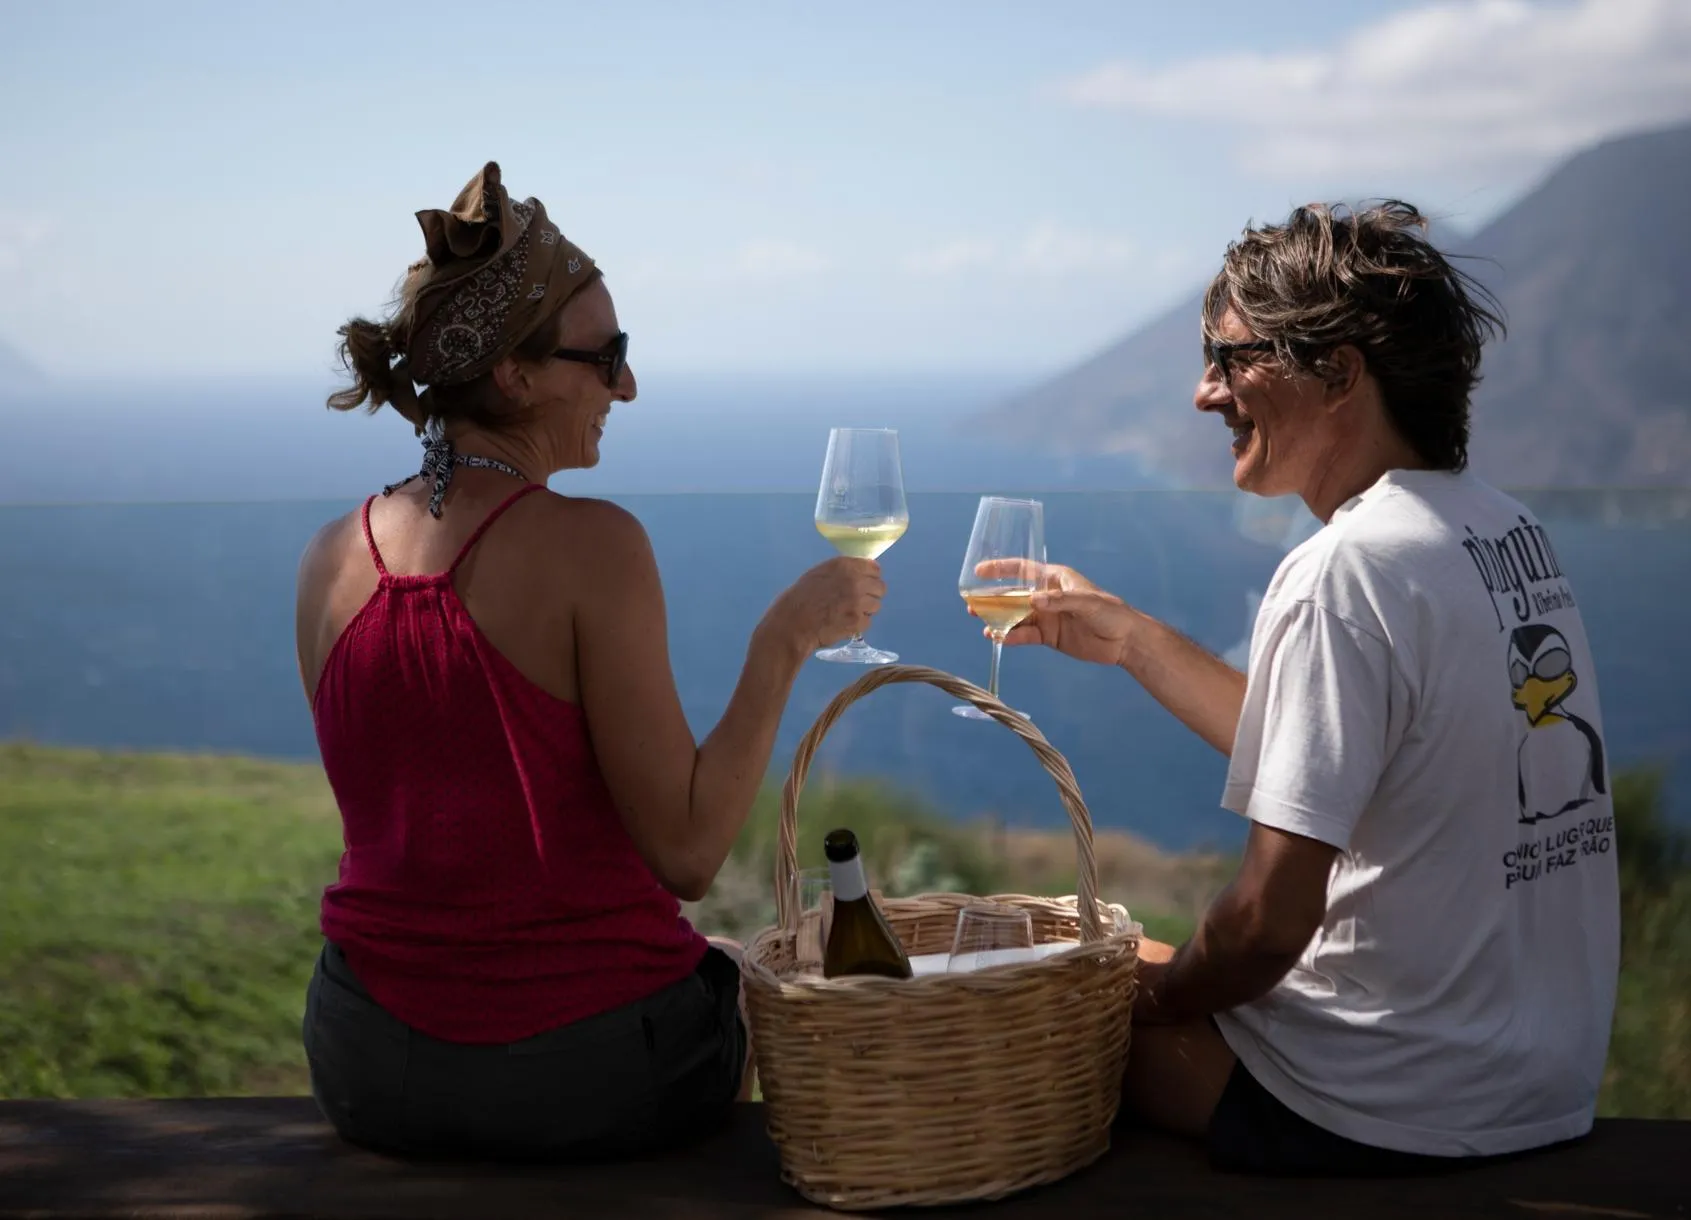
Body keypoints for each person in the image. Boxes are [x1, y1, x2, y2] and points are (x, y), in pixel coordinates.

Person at [995, 201, 1618, 1174]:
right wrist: (1128, 637)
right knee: (1104, 954)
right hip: (1529, 1079)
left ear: (1336, 372)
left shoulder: (1344, 568)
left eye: (1230, 356)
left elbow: (1262, 922)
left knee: (1032, 989)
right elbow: (1336, 755)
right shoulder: (1496, 531)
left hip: (1375, 1098)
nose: (1205, 392)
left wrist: (1154, 998)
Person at [292, 162, 883, 1161]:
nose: (627, 383)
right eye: (604, 356)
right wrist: (779, 641)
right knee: (757, 970)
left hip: (362, 1057)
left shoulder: (330, 556)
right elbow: (689, 855)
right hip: (579, 1065)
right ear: (515, 376)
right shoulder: (592, 545)